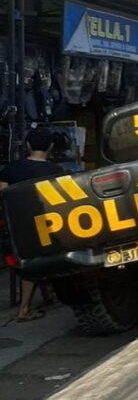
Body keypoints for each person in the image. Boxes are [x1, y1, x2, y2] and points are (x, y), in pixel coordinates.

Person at [0, 130, 62, 323]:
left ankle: (34, 303)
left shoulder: (11, 169)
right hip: (47, 226)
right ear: (51, 147)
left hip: (16, 227)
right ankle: (29, 307)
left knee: (29, 260)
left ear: (27, 146)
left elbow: (3, 196)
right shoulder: (56, 171)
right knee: (41, 258)